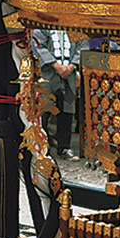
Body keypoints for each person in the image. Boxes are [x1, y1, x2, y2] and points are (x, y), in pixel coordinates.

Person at [31, 27, 82, 160]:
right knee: (44, 108)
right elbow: (38, 44)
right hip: (48, 73)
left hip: (69, 73)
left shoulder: (73, 24)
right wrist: (56, 66)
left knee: (67, 110)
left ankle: (64, 147)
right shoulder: (43, 22)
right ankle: (42, 146)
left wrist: (71, 66)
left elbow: (82, 45)